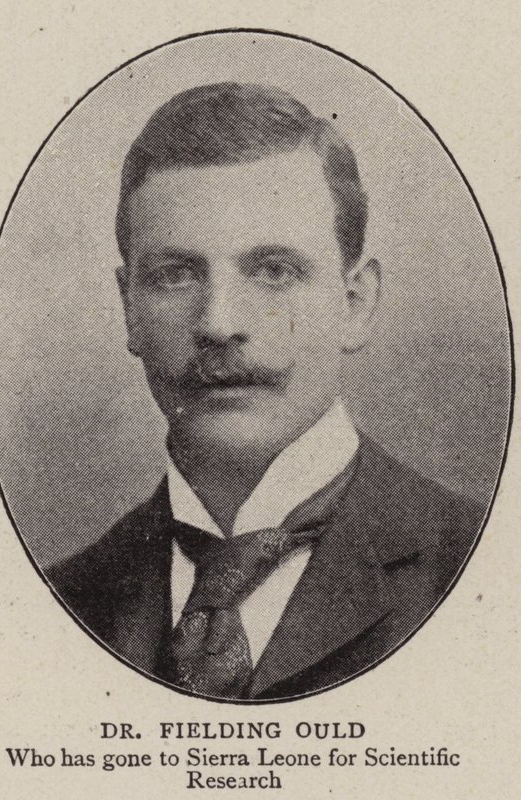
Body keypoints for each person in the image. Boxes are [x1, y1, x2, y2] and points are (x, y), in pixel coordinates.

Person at [47, 82, 484, 700]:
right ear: (129, 310)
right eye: (175, 275)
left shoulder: (480, 563)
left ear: (355, 303)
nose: (218, 323)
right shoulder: (57, 599)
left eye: (274, 271)